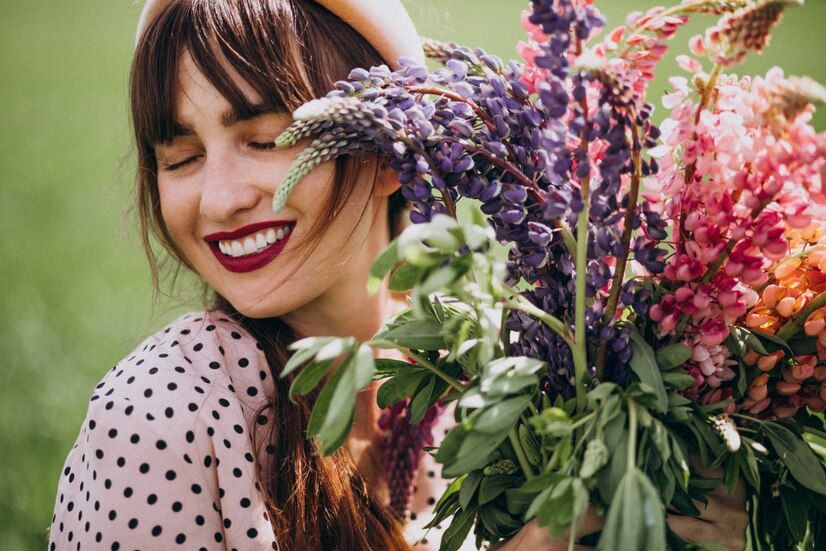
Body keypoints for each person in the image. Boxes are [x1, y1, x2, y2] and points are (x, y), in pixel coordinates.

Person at [47, 1, 749, 549]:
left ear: (393, 154)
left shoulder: (496, 367)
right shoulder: (163, 412)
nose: (219, 197)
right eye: (180, 158)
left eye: (264, 141)